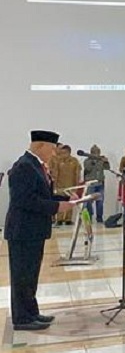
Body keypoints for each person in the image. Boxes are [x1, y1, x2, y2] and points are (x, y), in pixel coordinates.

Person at [5, 130, 74, 331]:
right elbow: (24, 200)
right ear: (41, 146)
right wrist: (56, 207)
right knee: (22, 276)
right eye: (52, 149)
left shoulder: (35, 165)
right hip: (23, 231)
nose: (53, 153)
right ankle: (22, 318)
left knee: (31, 275)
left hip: (33, 230)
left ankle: (31, 312)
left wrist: (66, 200)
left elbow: (43, 195)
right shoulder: (24, 166)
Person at [52, 145, 81, 225]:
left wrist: (77, 185)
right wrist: (54, 186)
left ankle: (68, 219)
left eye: (64, 153)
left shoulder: (74, 161)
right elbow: (55, 174)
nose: (62, 155)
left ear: (69, 152)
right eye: (61, 153)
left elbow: (77, 173)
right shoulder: (58, 161)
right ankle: (60, 219)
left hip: (71, 185)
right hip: (60, 185)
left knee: (70, 201)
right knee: (60, 201)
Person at [83, 145, 109, 223]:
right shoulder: (87, 161)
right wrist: (93, 162)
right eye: (94, 152)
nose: (96, 154)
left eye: (98, 152)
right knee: (89, 201)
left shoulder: (101, 160)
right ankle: (90, 216)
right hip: (91, 184)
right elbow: (88, 169)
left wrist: (106, 161)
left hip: (100, 183)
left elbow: (107, 168)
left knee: (100, 202)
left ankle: (99, 217)